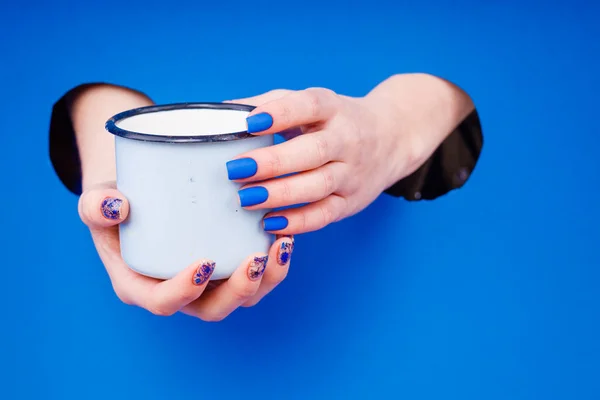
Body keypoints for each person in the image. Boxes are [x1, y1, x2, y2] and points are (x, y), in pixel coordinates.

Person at [49, 73, 483, 321]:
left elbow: (488, 57)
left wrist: (394, 130)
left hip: (390, 303)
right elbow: (61, 50)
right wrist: (114, 171)